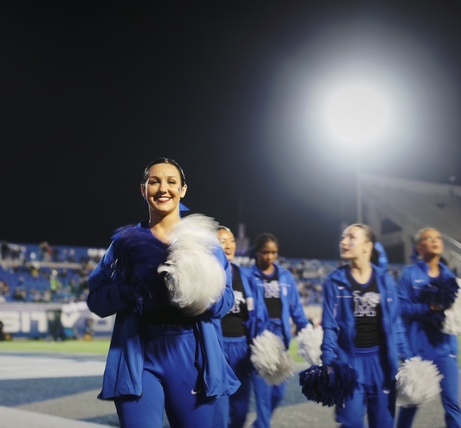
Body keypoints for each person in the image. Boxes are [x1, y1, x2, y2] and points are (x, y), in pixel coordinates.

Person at [87, 157, 239, 428]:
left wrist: (195, 289)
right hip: (138, 355)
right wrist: (132, 288)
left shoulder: (204, 243)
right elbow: (97, 299)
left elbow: (225, 302)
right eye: (154, 181)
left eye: (171, 182)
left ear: (183, 190)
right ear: (143, 189)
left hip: (190, 354)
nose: (162, 189)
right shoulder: (124, 244)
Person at [321, 223, 411, 427]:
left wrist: (409, 360)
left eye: (351, 237)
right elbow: (330, 326)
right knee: (350, 423)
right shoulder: (333, 281)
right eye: (343, 238)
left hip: (381, 364)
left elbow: (396, 324)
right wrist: (328, 363)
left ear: (367, 246)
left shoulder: (385, 280)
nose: (343, 242)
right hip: (349, 364)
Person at [396, 227, 461, 428]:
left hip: (445, 350)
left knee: (453, 404)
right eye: (428, 238)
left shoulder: (449, 276)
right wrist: (429, 307)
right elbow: (399, 309)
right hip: (418, 351)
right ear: (419, 247)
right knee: (411, 403)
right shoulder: (409, 275)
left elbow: (455, 314)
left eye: (438, 238)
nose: (435, 241)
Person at [249, 232, 309, 428]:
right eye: (265, 252)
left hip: (281, 337)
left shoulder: (286, 276)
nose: (270, 257)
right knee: (263, 395)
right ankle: (264, 424)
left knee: (279, 392)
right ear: (257, 253)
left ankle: (259, 425)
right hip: (259, 338)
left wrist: (307, 332)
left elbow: (296, 309)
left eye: (274, 252)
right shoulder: (249, 276)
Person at [214, 226, 269, 428]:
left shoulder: (247, 277)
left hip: (242, 349)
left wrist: (260, 346)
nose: (228, 245)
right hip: (216, 349)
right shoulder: (206, 275)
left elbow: (259, 315)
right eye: (222, 241)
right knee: (218, 409)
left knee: (240, 411)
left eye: (231, 241)